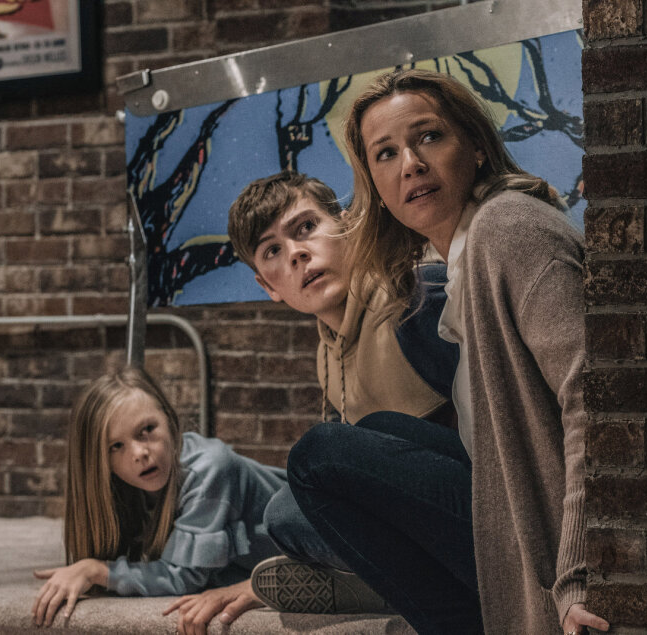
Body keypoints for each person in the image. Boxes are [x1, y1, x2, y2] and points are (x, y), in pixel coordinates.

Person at [295, 68, 612, 634]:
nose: (411, 164)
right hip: (507, 506)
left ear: (477, 147)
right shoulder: (463, 259)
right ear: (375, 186)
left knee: (319, 458)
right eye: (386, 154)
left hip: (546, 539)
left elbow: (596, 396)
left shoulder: (508, 228)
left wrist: (579, 570)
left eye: (429, 137)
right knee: (380, 430)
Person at [164, 170, 470, 631]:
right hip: (421, 527)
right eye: (272, 251)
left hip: (485, 514)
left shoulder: (416, 298)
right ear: (268, 287)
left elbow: (506, 430)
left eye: (305, 227)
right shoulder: (328, 351)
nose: (296, 254)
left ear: (346, 226)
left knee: (320, 453)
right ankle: (379, 579)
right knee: (284, 514)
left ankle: (383, 582)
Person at [30, 366, 287, 635]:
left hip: (310, 532)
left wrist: (97, 570)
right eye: (116, 446)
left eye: (147, 429)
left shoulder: (209, 468)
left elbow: (185, 576)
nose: (139, 453)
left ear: (170, 420)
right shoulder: (126, 484)